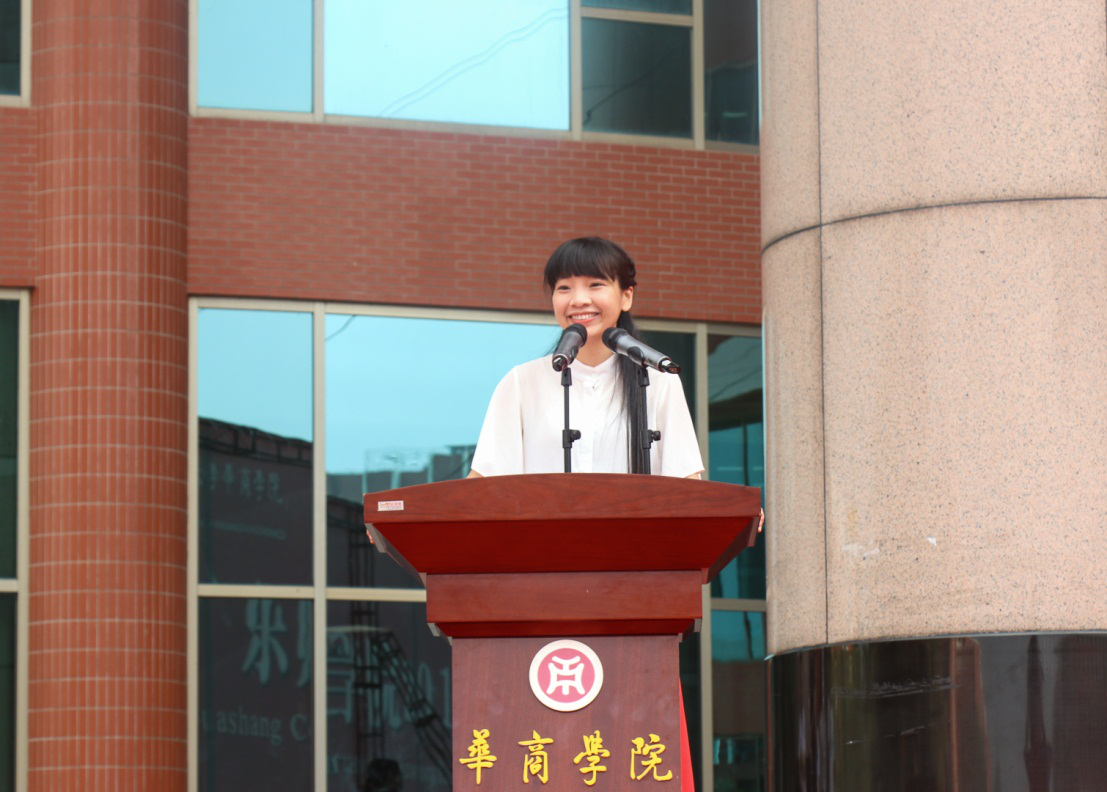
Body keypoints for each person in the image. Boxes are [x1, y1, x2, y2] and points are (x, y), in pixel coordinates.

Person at [468, 236, 703, 479]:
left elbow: (687, 483)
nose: (579, 300)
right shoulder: (522, 382)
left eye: (595, 285)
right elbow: (484, 482)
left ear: (626, 296)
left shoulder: (658, 381)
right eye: (564, 288)